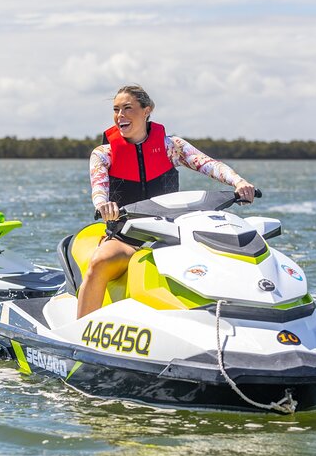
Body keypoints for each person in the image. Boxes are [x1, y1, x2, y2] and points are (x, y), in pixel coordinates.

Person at [77, 85, 255, 319]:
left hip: (172, 234)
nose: (120, 115)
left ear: (146, 111)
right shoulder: (104, 153)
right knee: (100, 262)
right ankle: (79, 335)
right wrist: (103, 205)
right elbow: (99, 187)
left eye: (127, 108)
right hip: (128, 237)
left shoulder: (172, 147)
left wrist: (238, 182)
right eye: (116, 109)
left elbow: (208, 164)